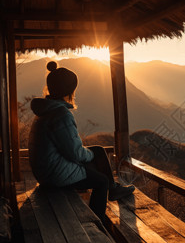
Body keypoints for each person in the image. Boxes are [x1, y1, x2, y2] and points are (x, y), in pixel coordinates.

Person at [28, 61, 134, 220]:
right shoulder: (61, 114)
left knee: (97, 150)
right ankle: (97, 223)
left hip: (44, 171)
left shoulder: (44, 110)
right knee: (101, 181)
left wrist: (91, 154)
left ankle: (113, 189)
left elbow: (68, 149)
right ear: (70, 90)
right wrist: (90, 156)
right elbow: (75, 154)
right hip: (54, 175)